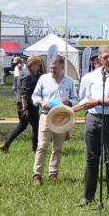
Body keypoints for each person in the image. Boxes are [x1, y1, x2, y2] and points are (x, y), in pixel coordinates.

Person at [74, 45, 109, 206]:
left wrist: (98, 101)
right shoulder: (90, 76)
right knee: (91, 158)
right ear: (99, 59)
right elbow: (84, 98)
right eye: (105, 57)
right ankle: (87, 197)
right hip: (92, 118)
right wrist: (74, 108)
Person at [31, 56, 78, 185]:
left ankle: (53, 173)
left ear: (62, 68)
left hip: (62, 117)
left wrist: (69, 101)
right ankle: (37, 175)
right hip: (46, 115)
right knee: (42, 146)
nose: (52, 70)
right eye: (51, 68)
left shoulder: (69, 82)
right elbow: (35, 96)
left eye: (55, 68)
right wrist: (42, 102)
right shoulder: (43, 79)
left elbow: (76, 99)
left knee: (57, 147)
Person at [0, 56, 43, 154]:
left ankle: (6, 144)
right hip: (27, 105)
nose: (39, 67)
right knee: (36, 127)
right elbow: (24, 93)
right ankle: (35, 150)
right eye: (38, 65)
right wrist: (25, 108)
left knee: (22, 126)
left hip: (26, 104)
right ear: (32, 65)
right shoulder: (27, 75)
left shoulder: (30, 73)